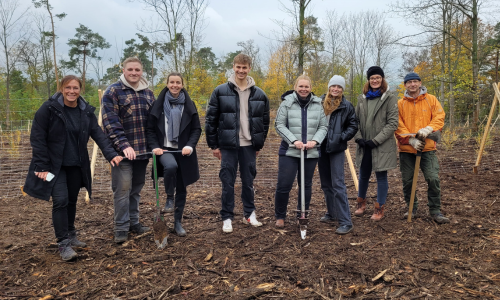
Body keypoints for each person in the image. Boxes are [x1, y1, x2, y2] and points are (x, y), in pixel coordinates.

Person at [24, 75, 122, 261]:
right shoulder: (49, 109)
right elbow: (37, 137)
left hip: (77, 165)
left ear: (80, 90)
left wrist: (111, 154)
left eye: (75, 88)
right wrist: (42, 165)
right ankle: (63, 244)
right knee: (60, 200)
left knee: (71, 200)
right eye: (68, 87)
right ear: (62, 88)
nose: (71, 91)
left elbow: (98, 135)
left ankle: (70, 233)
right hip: (54, 166)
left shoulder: (85, 111)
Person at [205, 53, 270, 233]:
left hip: (249, 145)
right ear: (233, 67)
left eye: (244, 67)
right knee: (227, 182)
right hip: (228, 145)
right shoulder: (220, 91)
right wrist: (214, 145)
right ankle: (227, 217)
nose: (241, 70)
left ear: (249, 68)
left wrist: (259, 144)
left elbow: (265, 123)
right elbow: (211, 120)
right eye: (238, 67)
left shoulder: (260, 94)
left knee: (248, 182)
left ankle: (249, 214)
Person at [102, 57, 156, 243]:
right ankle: (121, 227)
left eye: (137, 70)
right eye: (130, 69)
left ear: (142, 72)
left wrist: (155, 145)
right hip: (121, 153)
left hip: (142, 152)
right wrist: (124, 146)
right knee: (123, 189)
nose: (134, 73)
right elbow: (110, 123)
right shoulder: (113, 92)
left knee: (136, 189)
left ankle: (134, 222)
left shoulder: (148, 93)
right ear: (123, 70)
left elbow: (153, 123)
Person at [146, 72, 201, 237]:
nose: (175, 85)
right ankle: (170, 197)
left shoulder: (189, 106)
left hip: (183, 151)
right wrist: (155, 146)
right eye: (172, 82)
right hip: (164, 150)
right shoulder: (158, 105)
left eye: (178, 82)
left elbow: (197, 129)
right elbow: (149, 129)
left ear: (182, 84)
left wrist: (190, 146)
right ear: (167, 83)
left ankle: (178, 222)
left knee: (182, 188)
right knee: (170, 166)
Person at [274, 75, 328, 228]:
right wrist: (294, 141)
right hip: (289, 151)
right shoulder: (287, 103)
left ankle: (302, 214)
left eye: (306, 87)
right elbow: (279, 125)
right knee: (284, 184)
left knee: (306, 185)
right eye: (301, 86)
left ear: (311, 88)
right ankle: (280, 215)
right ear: (296, 87)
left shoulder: (318, 104)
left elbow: (323, 127)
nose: (303, 89)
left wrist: (315, 141)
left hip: (310, 152)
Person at [395, 72, 449, 224]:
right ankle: (411, 207)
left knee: (433, 178)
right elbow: (397, 124)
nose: (412, 84)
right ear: (405, 85)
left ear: (419, 83)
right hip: (407, 150)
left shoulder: (431, 100)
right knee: (408, 181)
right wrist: (409, 139)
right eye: (409, 82)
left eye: (415, 81)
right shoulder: (400, 104)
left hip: (428, 148)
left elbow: (439, 116)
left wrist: (429, 129)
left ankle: (435, 210)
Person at [353, 66, 399, 221]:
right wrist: (359, 138)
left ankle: (379, 208)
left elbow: (392, 123)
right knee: (363, 174)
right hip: (365, 144)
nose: (375, 80)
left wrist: (376, 140)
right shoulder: (362, 98)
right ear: (368, 80)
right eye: (372, 78)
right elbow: (356, 121)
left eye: (378, 77)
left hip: (381, 145)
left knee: (381, 176)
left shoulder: (389, 98)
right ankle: (361, 203)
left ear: (382, 79)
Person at [317, 75, 358, 234]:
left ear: (342, 89)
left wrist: (341, 137)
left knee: (338, 184)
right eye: (333, 86)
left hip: (337, 148)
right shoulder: (319, 102)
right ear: (329, 87)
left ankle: (346, 221)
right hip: (321, 147)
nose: (336, 89)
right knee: (326, 184)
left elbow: (353, 125)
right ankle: (332, 213)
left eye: (339, 87)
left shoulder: (346, 106)